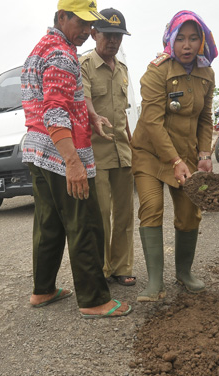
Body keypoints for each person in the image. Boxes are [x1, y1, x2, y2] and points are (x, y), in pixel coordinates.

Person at [20, 0, 131, 318]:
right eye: (80, 23)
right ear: (61, 17)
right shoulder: (62, 55)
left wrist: (91, 117)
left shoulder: (43, 47)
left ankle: (43, 290)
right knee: (85, 223)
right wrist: (73, 162)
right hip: (60, 153)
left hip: (37, 150)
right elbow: (54, 110)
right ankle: (95, 299)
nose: (86, 30)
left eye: (89, 24)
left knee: (49, 223)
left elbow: (70, 99)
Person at [132, 10, 217, 302]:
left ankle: (184, 272)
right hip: (150, 154)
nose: (187, 45)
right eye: (180, 38)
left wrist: (204, 152)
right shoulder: (157, 72)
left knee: (189, 213)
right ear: (170, 39)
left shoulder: (207, 73)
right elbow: (153, 122)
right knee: (152, 207)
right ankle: (155, 282)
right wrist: (174, 161)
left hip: (186, 155)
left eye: (194, 38)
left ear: (202, 40)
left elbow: (205, 118)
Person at [80, 9, 136, 286]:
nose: (113, 41)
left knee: (125, 214)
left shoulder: (123, 70)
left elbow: (123, 112)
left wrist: (132, 143)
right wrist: (93, 116)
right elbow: (86, 100)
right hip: (97, 153)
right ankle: (100, 270)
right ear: (94, 33)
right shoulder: (85, 65)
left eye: (118, 36)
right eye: (108, 35)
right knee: (101, 214)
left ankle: (121, 267)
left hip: (123, 151)